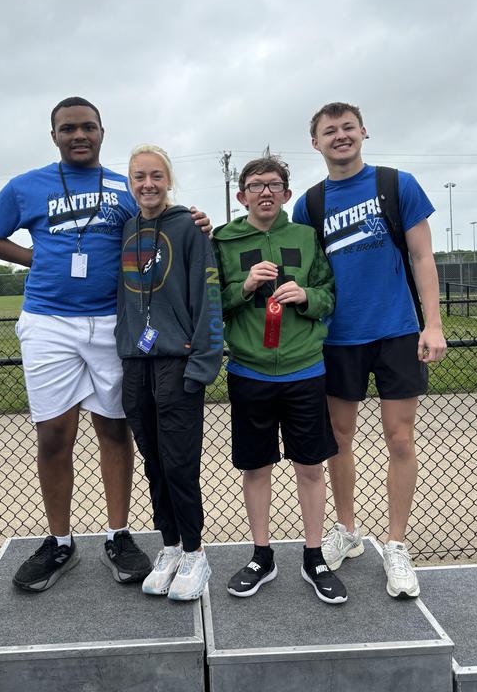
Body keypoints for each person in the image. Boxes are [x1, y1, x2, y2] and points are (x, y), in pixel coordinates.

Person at [0, 97, 209, 592]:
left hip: (111, 320)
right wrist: (29, 256)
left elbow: (159, 217)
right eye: (68, 128)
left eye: (89, 127)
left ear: (103, 132)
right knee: (55, 435)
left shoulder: (123, 187)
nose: (79, 135)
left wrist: (195, 221)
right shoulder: (27, 185)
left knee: (115, 429)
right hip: (49, 322)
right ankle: (60, 540)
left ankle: (118, 535)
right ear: (53, 135)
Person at [292, 102, 447, 599]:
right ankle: (346, 530)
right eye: (328, 131)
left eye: (347, 128)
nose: (340, 136)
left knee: (400, 440)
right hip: (338, 336)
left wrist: (434, 324)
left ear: (363, 132)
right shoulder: (309, 205)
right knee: (338, 437)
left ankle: (397, 545)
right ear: (315, 143)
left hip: (397, 331)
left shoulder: (397, 185)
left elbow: (423, 256)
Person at [213, 156, 347, 605]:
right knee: (256, 466)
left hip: (305, 369)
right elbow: (211, 302)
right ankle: (261, 556)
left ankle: (313, 556)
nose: (265, 192)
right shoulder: (223, 241)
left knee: (310, 465)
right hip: (249, 371)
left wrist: (308, 296)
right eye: (255, 185)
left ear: (287, 194)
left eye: (274, 185)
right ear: (241, 195)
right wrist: (244, 287)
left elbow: (329, 295)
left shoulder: (306, 237)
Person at [115, 145, 223, 601]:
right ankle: (171, 546)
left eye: (156, 176)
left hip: (178, 363)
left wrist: (202, 362)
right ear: (130, 182)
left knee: (180, 463)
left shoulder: (190, 228)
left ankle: (197, 553)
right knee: (155, 463)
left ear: (169, 179)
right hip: (136, 365)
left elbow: (208, 297)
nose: (148, 185)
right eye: (139, 176)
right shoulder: (126, 228)